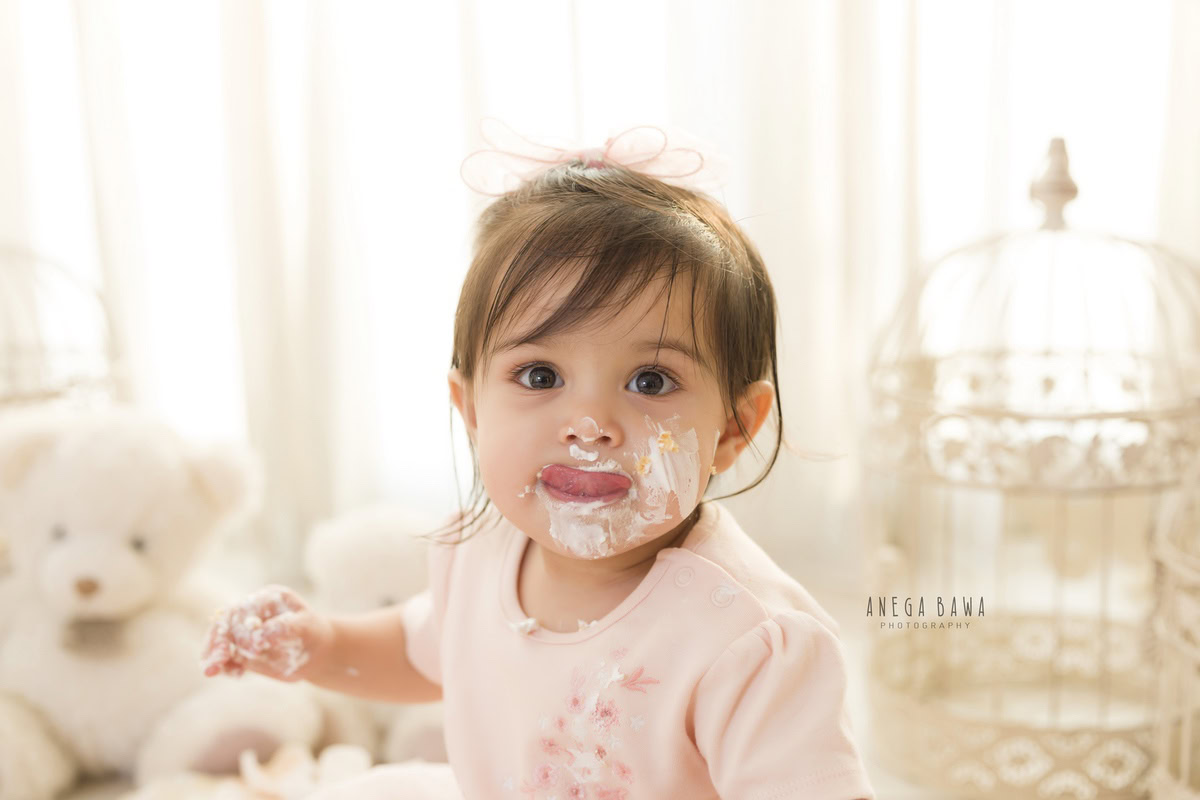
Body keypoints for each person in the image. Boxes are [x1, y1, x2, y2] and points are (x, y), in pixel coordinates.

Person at [201, 128, 877, 800]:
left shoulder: (751, 643)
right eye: (540, 375)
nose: (589, 426)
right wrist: (320, 646)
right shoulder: (485, 555)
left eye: (649, 381)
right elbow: (427, 648)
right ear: (471, 409)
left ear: (732, 429)